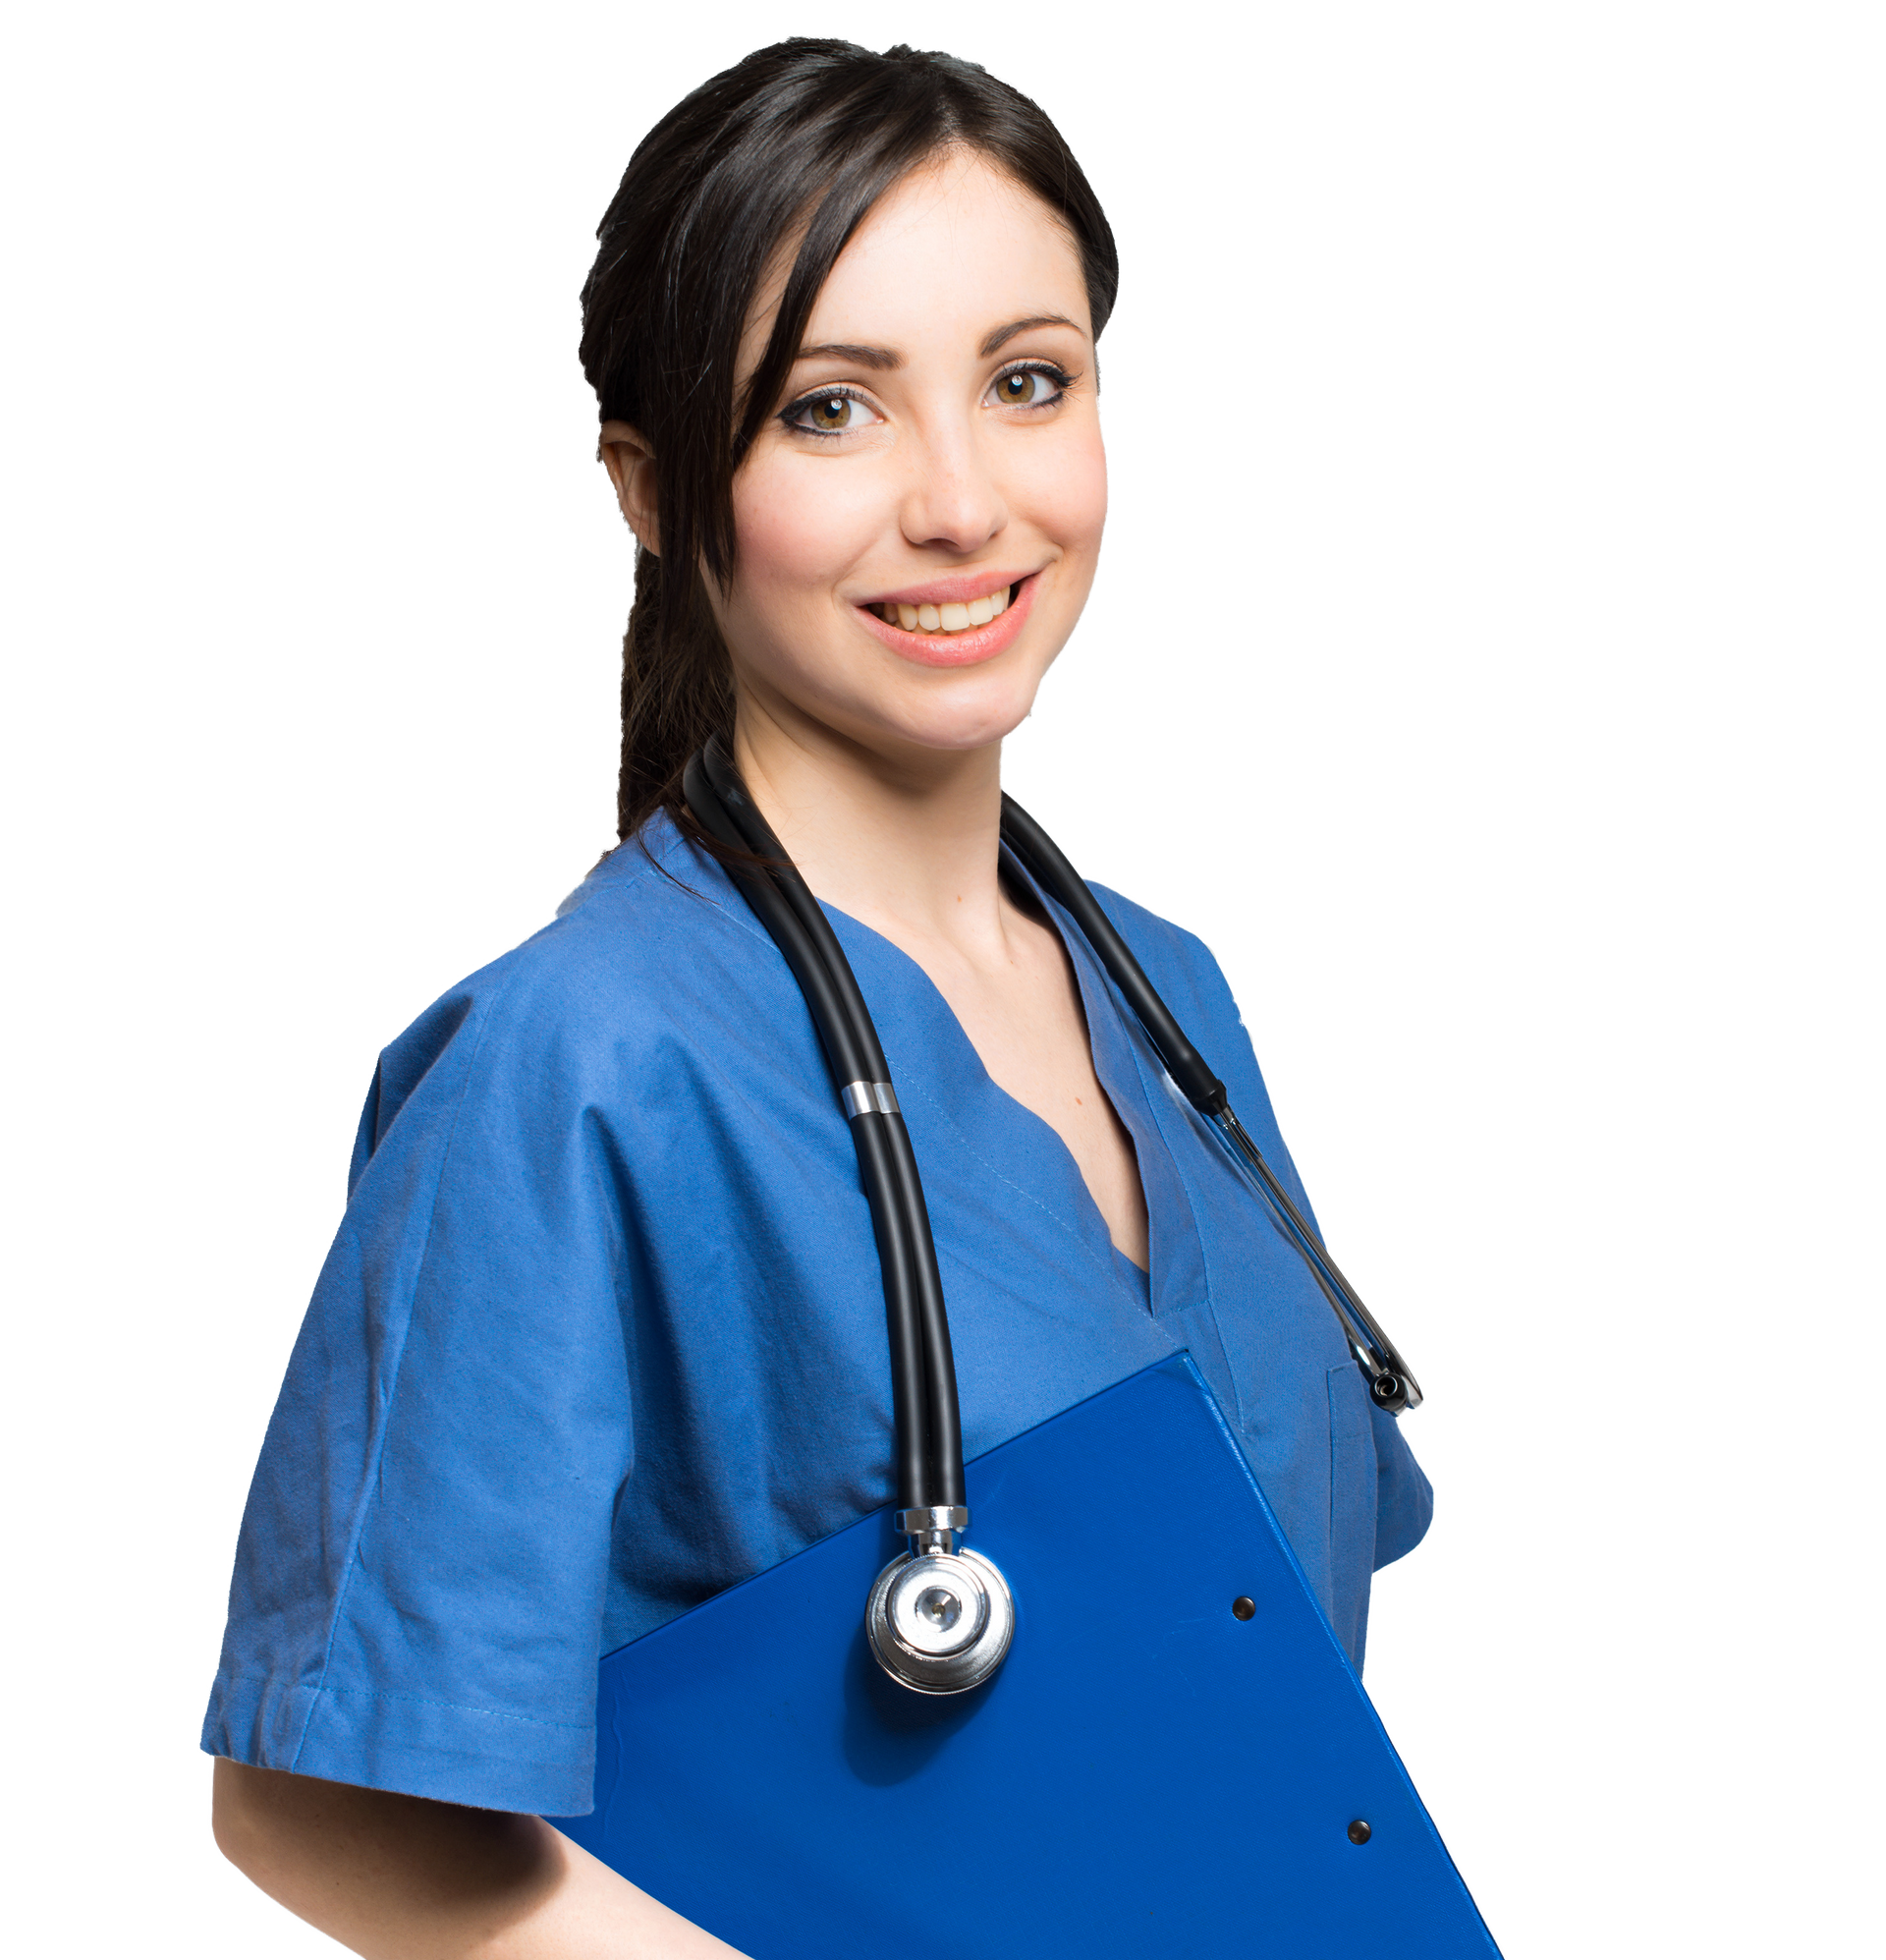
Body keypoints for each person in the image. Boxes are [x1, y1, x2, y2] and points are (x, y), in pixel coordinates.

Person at [199, 35, 1437, 1956]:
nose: (963, 504)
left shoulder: (1168, 993)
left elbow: (1248, 1648)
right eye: (829, 409)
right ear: (648, 486)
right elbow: (329, 1804)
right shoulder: (577, 1061)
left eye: (1028, 383)